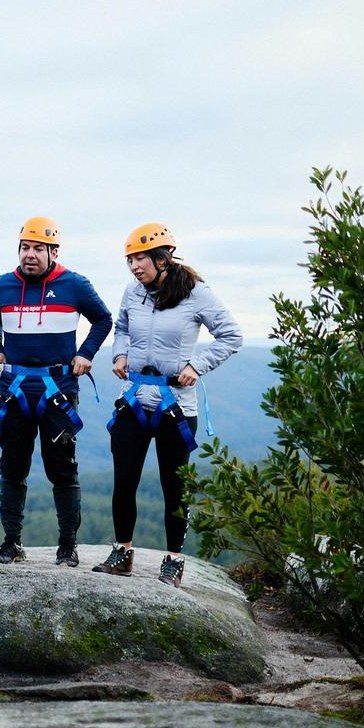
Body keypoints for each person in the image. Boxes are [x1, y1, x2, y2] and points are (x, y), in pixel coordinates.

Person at [92, 223, 241, 587]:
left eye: (140, 259)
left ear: (162, 258)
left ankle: (174, 561)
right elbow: (122, 327)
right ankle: (123, 552)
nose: (133, 267)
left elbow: (231, 335)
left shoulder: (196, 294)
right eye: (130, 260)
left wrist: (197, 366)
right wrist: (120, 353)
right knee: (124, 481)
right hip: (134, 399)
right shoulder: (133, 292)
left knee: (174, 487)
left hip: (175, 404)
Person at [0, 217, 112, 566]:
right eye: (25, 247)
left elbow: (103, 319)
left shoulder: (74, 285)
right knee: (12, 467)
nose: (30, 255)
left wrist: (86, 354)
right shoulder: (4, 285)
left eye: (38, 249)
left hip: (58, 389)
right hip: (16, 390)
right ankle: (11, 543)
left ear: (54, 251)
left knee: (62, 469)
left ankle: (68, 546)